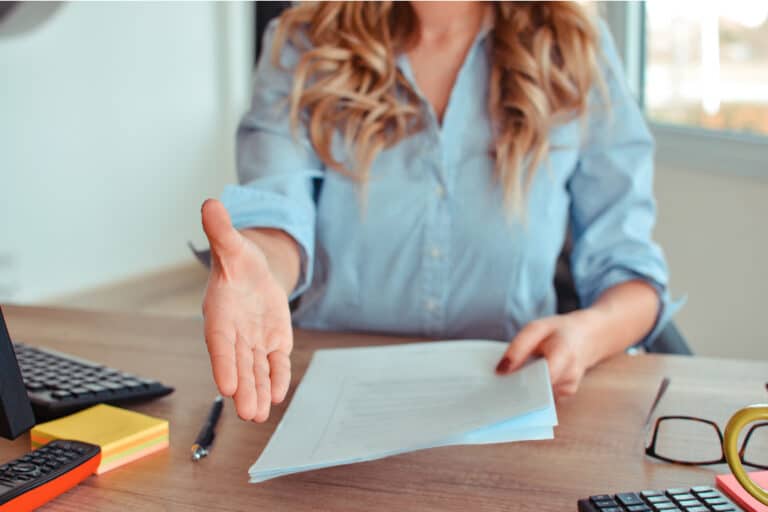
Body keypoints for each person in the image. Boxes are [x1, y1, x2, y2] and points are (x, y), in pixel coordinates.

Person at [200, 1, 676, 423]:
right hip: (331, 411)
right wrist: (259, 265)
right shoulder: (302, 42)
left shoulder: (575, 47)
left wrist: (588, 334)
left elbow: (630, 271)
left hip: (512, 411)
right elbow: (278, 213)